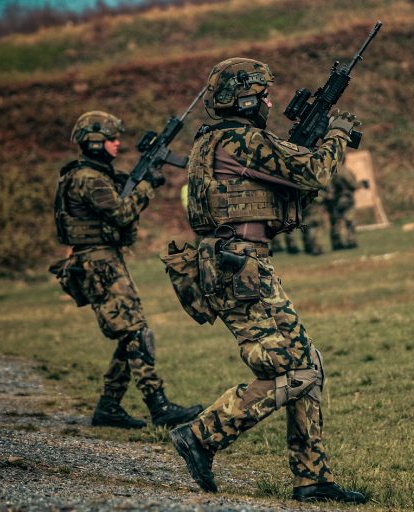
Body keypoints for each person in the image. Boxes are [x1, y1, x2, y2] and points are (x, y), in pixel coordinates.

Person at [165, 58, 366, 503]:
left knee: (307, 365)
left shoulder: (214, 140)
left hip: (239, 264)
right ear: (244, 97)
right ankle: (201, 435)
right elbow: (314, 170)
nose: (270, 101)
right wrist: (335, 132)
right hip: (241, 267)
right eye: (262, 94)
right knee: (296, 368)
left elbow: (290, 189)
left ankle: (311, 479)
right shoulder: (240, 138)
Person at [50, 111, 203, 430]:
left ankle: (109, 406)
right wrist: (146, 185)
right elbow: (120, 214)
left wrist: (147, 173)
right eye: (111, 139)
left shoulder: (93, 174)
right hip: (98, 264)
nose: (118, 143)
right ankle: (158, 406)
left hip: (102, 260)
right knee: (137, 332)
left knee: (129, 333)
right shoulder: (87, 179)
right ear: (94, 143)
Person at [324, 167, 359, 250]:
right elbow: (352, 185)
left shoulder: (326, 171)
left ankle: (337, 243)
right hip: (345, 199)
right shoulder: (344, 171)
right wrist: (360, 184)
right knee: (349, 220)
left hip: (332, 200)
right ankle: (351, 241)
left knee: (335, 222)